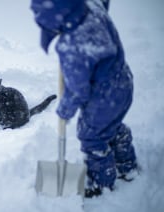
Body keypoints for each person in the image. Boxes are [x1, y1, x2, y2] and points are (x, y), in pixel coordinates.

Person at [30, 0, 138, 197]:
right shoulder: (91, 8)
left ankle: (102, 184)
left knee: (92, 136)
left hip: (103, 97)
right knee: (110, 126)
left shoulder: (73, 45)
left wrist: (64, 110)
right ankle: (127, 166)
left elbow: (78, 90)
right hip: (123, 82)